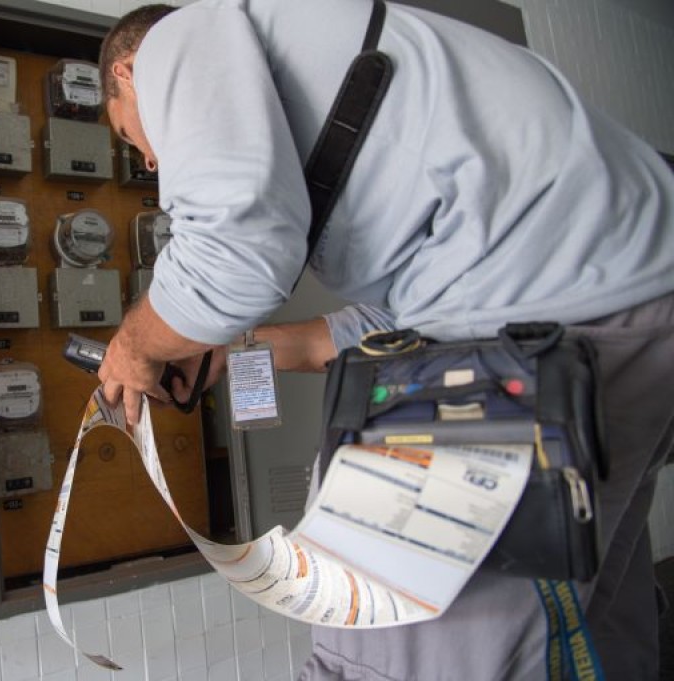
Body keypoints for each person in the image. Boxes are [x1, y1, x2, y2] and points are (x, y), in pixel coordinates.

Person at [96, 1, 674, 679]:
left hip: (561, 322)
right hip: (627, 302)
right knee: (589, 623)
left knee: (385, 627)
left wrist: (135, 345)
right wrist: (234, 349)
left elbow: (236, 256)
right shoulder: (381, 141)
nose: (150, 158)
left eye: (130, 134)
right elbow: (391, 324)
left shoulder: (179, 38)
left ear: (128, 72)